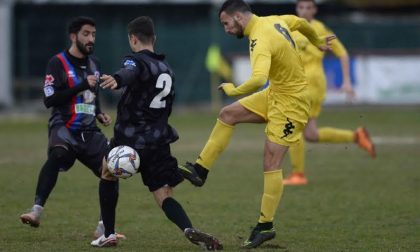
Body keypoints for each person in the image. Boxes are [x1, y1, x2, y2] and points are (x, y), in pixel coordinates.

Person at [178, 0, 335, 248]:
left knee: (270, 162)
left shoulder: (259, 38)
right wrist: (316, 40)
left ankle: (265, 225)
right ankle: (200, 169)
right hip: (276, 93)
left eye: (226, 24)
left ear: (239, 18)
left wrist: (233, 89)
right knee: (227, 114)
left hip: (292, 104)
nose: (226, 29)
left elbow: (258, 78)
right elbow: (302, 23)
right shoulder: (273, 19)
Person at [98, 16, 223, 250]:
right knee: (163, 193)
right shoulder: (167, 69)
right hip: (158, 141)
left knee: (107, 172)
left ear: (133, 39)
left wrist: (116, 79)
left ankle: (109, 234)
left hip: (130, 137)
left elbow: (129, 72)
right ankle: (187, 228)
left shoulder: (135, 61)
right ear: (154, 38)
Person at [19, 16, 123, 246]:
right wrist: (81, 85)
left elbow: (90, 96)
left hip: (89, 132)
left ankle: (104, 227)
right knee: (57, 155)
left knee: (112, 168)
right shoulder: (57, 63)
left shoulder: (95, 63)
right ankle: (36, 211)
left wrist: (98, 113)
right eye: (86, 34)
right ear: (73, 36)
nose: (91, 39)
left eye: (94, 34)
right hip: (63, 127)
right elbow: (50, 99)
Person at [283, 0, 376, 186]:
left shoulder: (321, 29)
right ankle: (356, 137)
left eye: (309, 7)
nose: (305, 11)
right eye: (301, 7)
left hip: (310, 83)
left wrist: (347, 81)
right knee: (311, 134)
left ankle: (298, 174)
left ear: (315, 10)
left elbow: (342, 53)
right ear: (296, 9)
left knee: (292, 125)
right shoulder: (290, 27)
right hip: (302, 83)